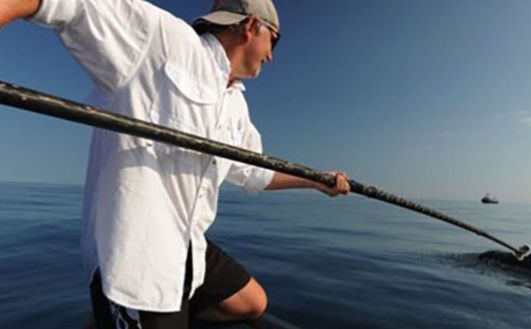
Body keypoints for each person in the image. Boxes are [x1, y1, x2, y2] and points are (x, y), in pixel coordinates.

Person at [0, 0, 351, 328]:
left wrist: (317, 181)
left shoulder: (235, 104)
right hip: (140, 262)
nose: (272, 56)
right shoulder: (165, 41)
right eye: (273, 40)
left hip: (187, 248)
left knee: (252, 302)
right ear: (251, 27)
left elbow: (255, 172)